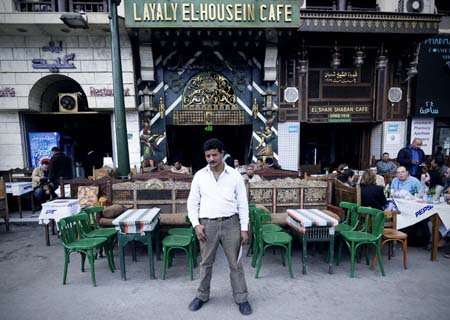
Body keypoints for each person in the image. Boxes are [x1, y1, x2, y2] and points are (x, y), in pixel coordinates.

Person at [187, 138, 251, 315]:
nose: (211, 159)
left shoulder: (235, 175)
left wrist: (244, 228)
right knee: (206, 263)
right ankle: (201, 296)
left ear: (222, 153)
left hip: (231, 223)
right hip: (208, 225)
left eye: (214, 155)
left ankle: (242, 298)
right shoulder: (200, 175)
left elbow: (242, 203)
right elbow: (192, 203)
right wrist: (196, 225)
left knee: (235, 264)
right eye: (208, 155)